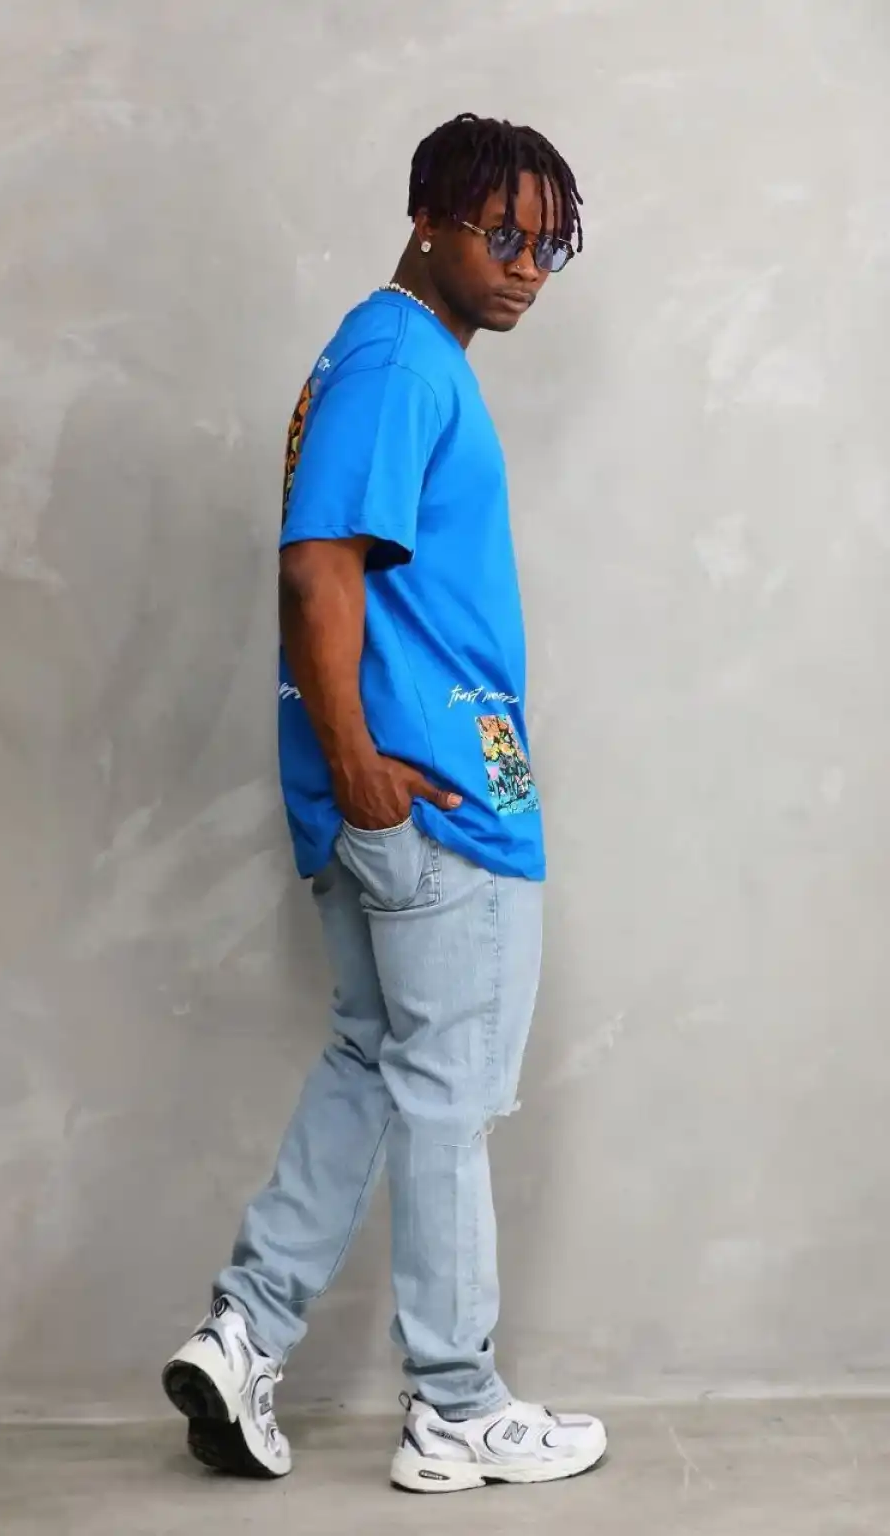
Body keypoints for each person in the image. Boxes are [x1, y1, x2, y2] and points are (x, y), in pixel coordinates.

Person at [162, 112, 607, 1496]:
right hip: (431, 802)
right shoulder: (403, 358)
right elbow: (317, 569)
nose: (526, 266)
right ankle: (457, 1405)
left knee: (376, 1061)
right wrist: (359, 763)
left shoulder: (394, 357)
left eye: (550, 245)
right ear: (427, 219)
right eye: (504, 233)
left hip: (392, 801)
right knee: (452, 1096)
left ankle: (245, 1333)